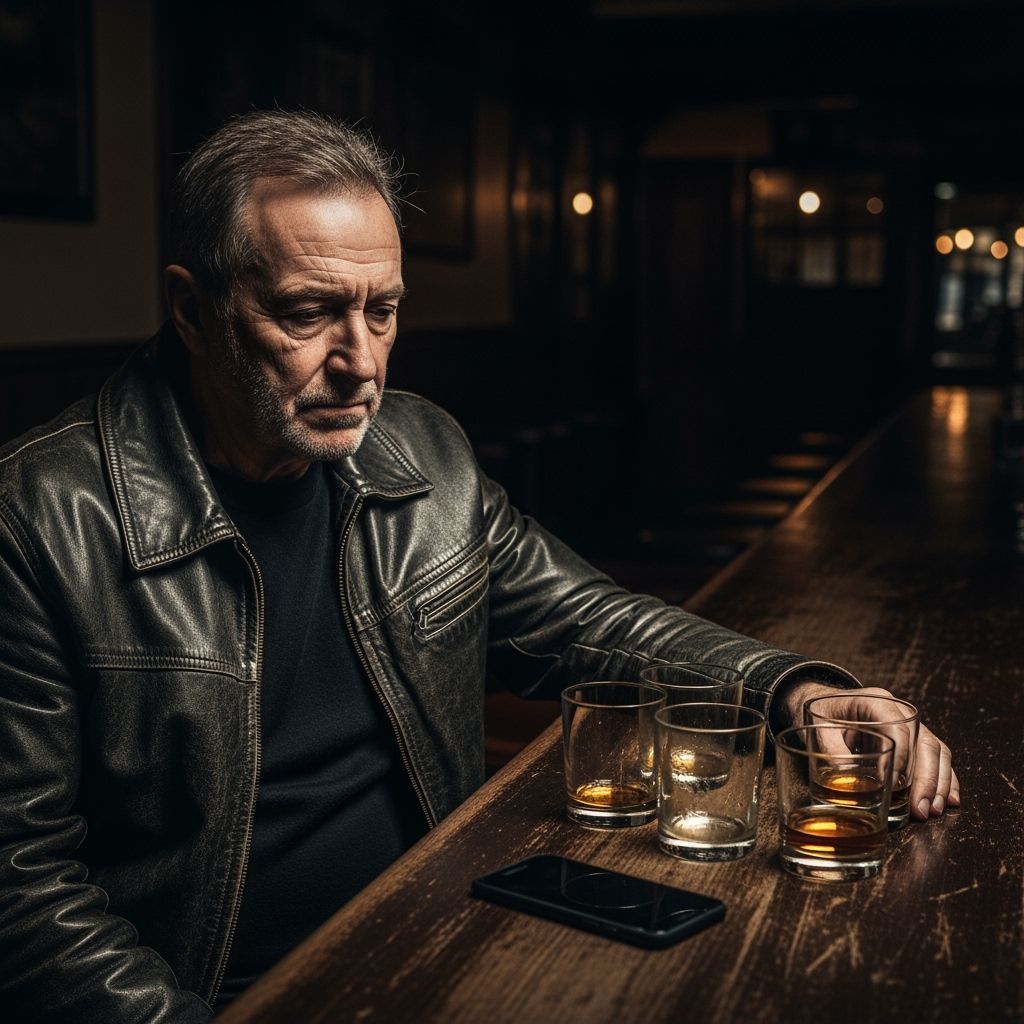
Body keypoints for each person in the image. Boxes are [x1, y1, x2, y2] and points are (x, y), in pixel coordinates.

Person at [0, 110, 958, 1023]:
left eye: (383, 312)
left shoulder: (424, 452)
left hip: (452, 927)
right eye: (309, 313)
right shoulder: (40, 516)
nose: (361, 361)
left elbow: (590, 621)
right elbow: (23, 893)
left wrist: (796, 689)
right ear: (192, 310)